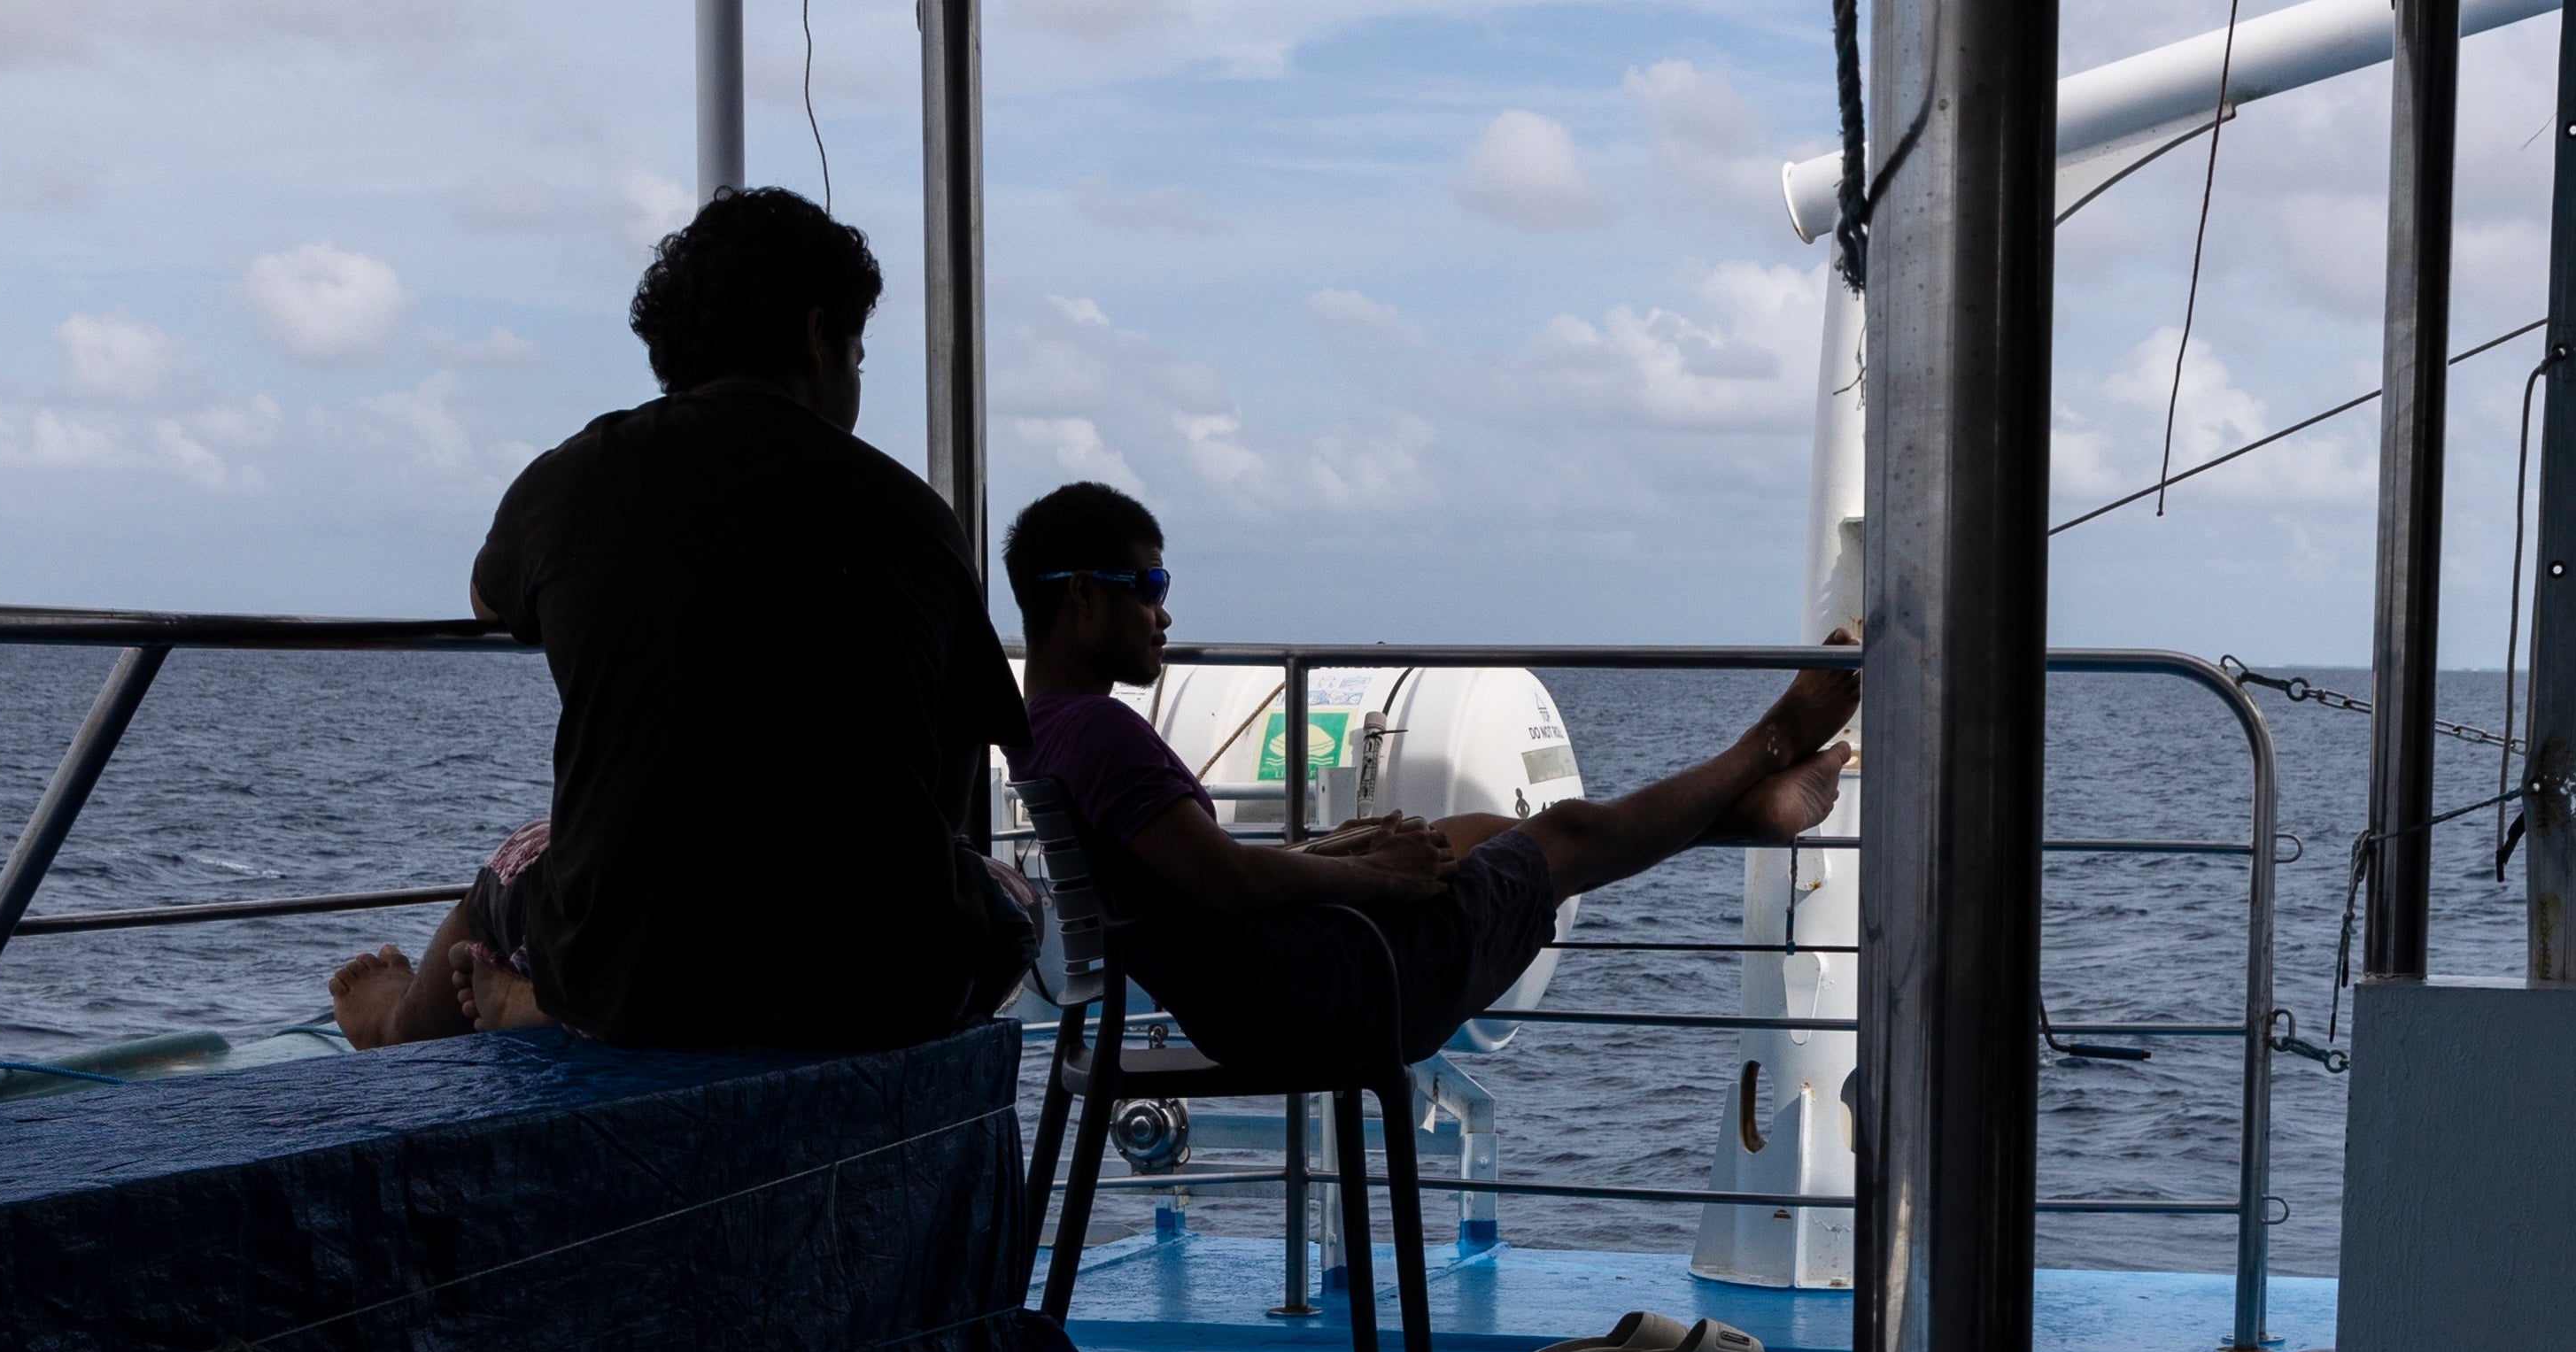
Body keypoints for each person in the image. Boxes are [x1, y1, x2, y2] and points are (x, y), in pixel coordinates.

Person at [329, 187, 1033, 1051]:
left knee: (519, 859)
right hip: (878, 983)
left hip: (632, 972)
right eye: (856, 354)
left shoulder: (568, 484)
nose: (852, 377)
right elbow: (947, 788)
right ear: (817, 337)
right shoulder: (918, 517)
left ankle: (408, 1021)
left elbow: (489, 598)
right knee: (1011, 900)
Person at [999, 481, 1858, 1070]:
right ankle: (1770, 744)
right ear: (1081, 596)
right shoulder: (1104, 733)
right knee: (1564, 832)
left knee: (1477, 833)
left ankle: (1752, 815)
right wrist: (1368, 874)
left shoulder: (1047, 734)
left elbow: (1193, 882)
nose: (1165, 610)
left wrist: (1345, 854)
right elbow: (1224, 877)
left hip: (1249, 999)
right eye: (1150, 583)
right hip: (1334, 992)